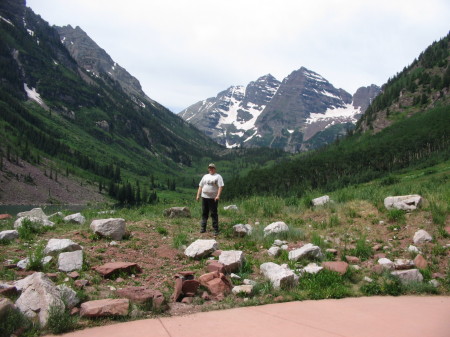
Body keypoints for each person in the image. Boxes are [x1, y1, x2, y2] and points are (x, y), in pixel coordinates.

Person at [196, 163, 224, 235]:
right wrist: (198, 195)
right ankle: (203, 228)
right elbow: (200, 186)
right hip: (204, 197)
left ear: (215, 169)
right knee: (204, 213)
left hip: (213, 198)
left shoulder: (218, 176)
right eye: (209, 168)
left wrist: (218, 196)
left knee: (213, 213)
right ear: (208, 169)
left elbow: (220, 187)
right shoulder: (205, 176)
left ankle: (215, 229)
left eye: (212, 168)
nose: (211, 169)